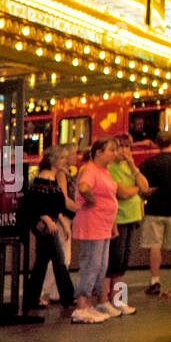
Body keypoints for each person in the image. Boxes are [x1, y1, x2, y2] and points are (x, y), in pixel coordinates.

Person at [70, 138, 121, 323]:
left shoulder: (104, 171)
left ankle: (91, 303)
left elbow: (110, 198)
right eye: (111, 150)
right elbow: (84, 187)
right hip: (92, 225)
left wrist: (112, 224)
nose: (115, 154)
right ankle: (81, 306)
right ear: (99, 152)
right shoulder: (90, 169)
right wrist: (91, 200)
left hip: (104, 226)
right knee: (91, 265)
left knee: (100, 266)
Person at [19, 148, 74, 313]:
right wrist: (47, 218)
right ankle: (67, 297)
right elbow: (35, 203)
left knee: (43, 261)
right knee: (58, 260)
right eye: (63, 158)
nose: (67, 161)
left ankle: (32, 298)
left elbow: (52, 205)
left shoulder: (49, 179)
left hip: (47, 225)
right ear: (54, 160)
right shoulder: (43, 180)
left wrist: (61, 222)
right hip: (44, 226)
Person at [104, 133, 149, 313]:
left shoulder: (128, 166)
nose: (125, 151)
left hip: (132, 217)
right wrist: (137, 189)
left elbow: (144, 186)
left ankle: (119, 300)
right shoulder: (110, 168)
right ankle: (107, 299)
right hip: (117, 219)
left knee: (123, 263)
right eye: (121, 147)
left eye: (128, 147)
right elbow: (121, 192)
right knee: (113, 262)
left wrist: (133, 167)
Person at [41, 141, 78, 304]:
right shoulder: (59, 175)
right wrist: (82, 209)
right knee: (60, 258)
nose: (75, 157)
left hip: (59, 219)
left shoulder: (58, 174)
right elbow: (61, 200)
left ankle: (54, 292)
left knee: (58, 258)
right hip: (59, 220)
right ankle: (44, 291)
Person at [139, 129, 171, 295]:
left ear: (157, 144)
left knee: (155, 246)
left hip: (154, 209)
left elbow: (142, 185)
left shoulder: (149, 163)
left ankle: (155, 281)